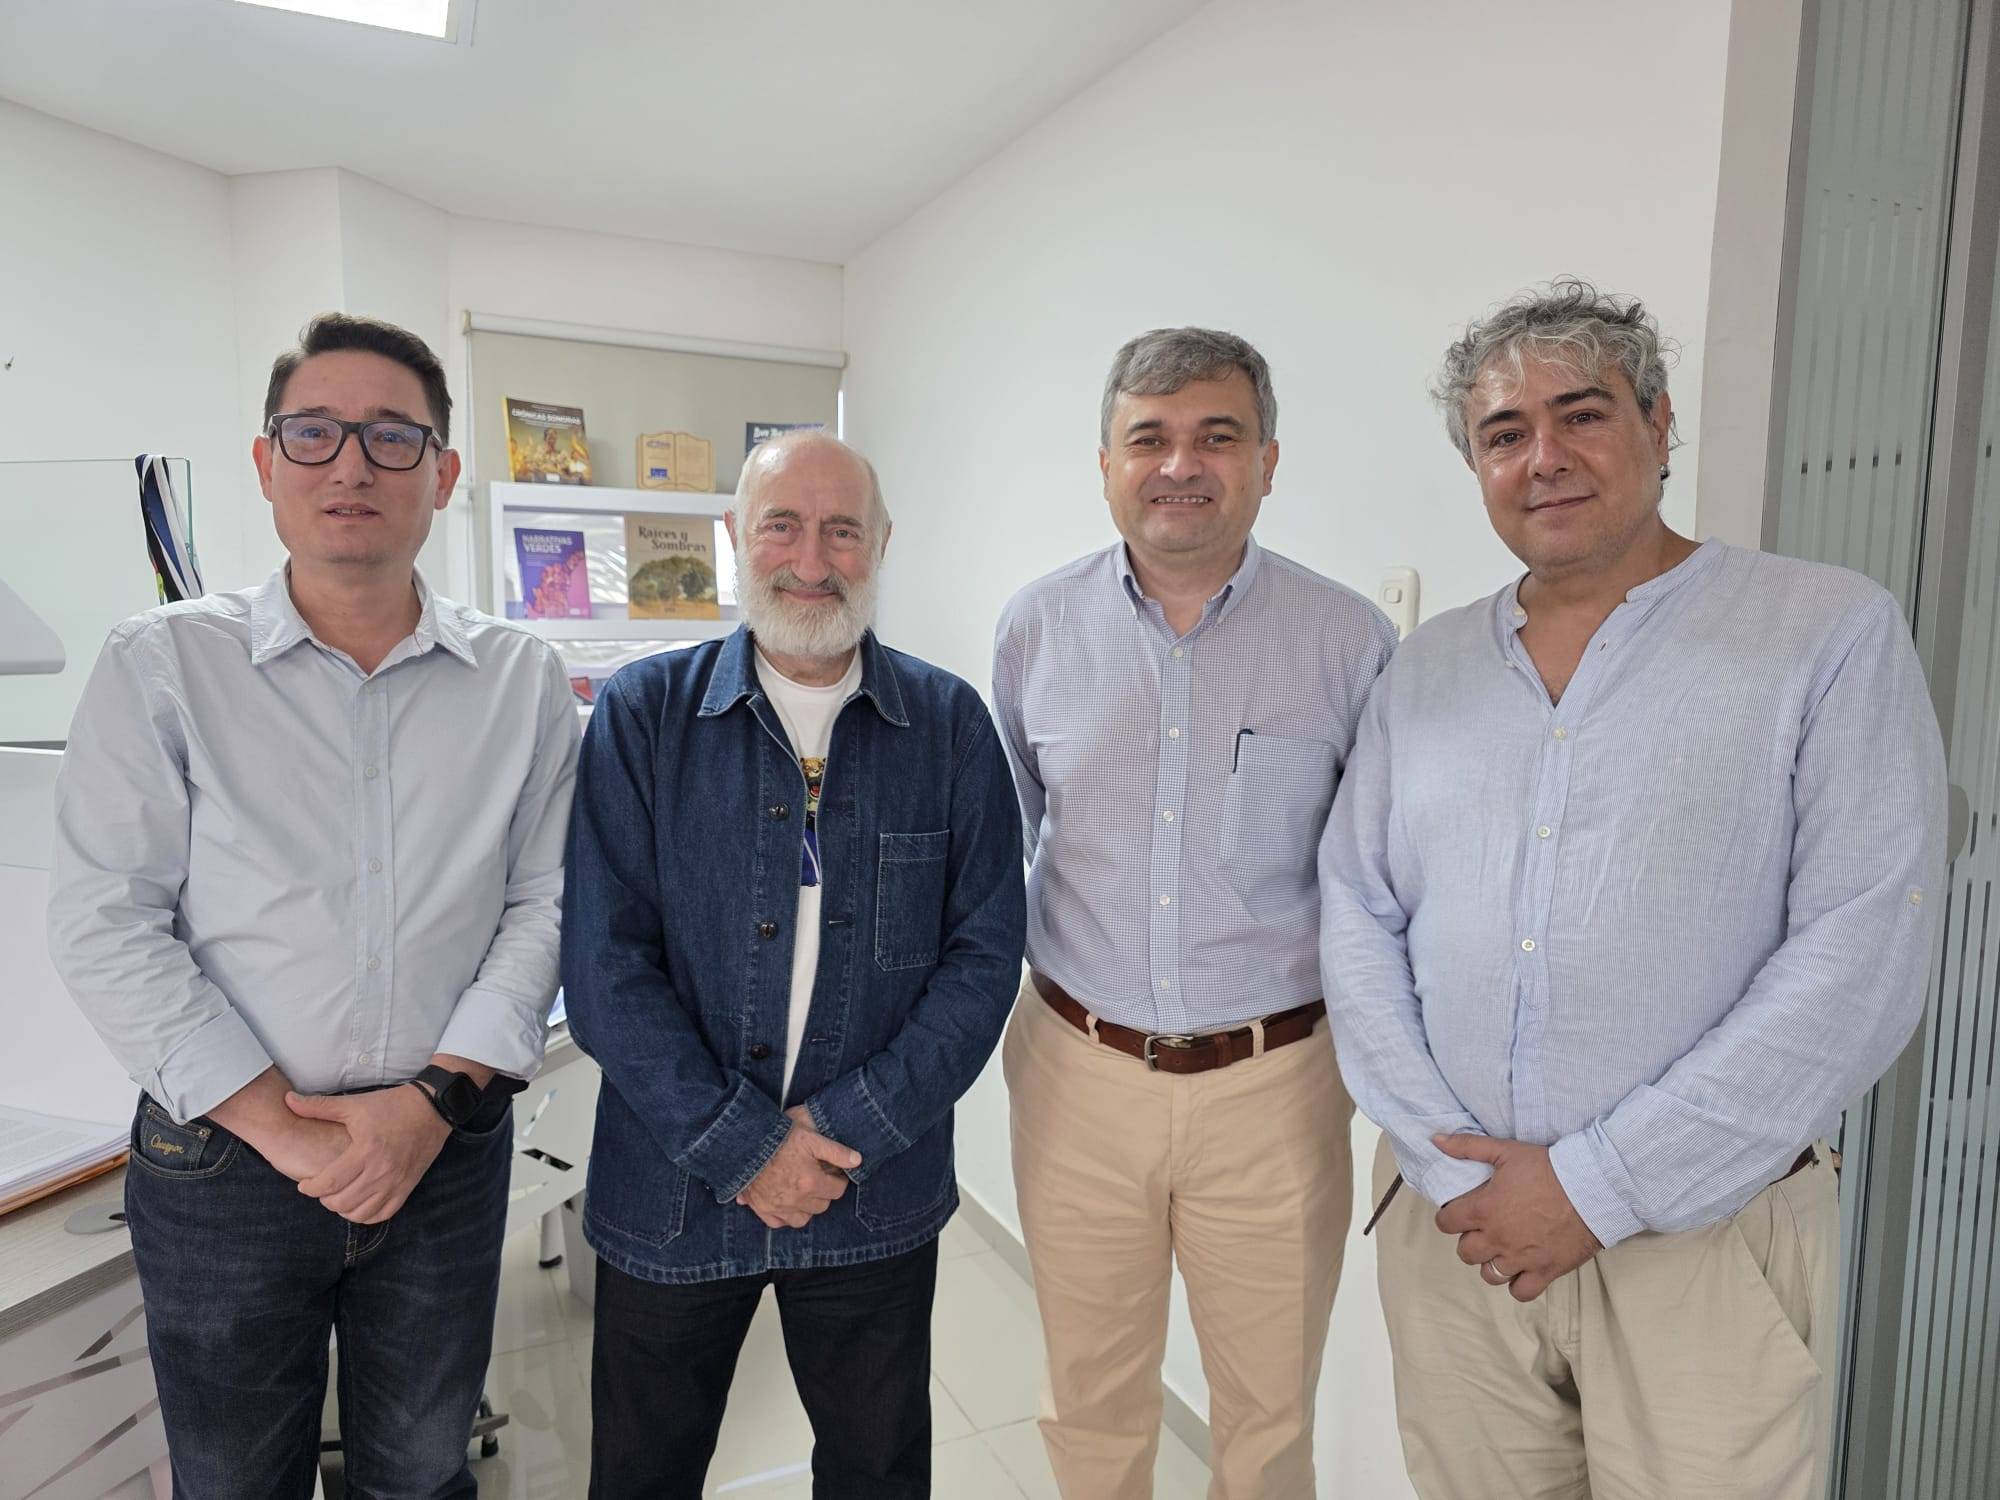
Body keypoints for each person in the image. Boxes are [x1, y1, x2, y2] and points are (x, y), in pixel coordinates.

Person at [1319, 279, 1948, 1499]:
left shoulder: (1821, 634)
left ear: (1660, 427)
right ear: (1476, 466)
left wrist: (1594, 1187)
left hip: (1701, 1241)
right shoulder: (1427, 666)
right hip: (1457, 1240)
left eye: (1582, 414)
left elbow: (1859, 948)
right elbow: (1356, 911)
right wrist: (1462, 1178)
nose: (1542, 457)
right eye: (1504, 434)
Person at [48, 312, 579, 1497]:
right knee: (235, 1478)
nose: (351, 465)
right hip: (225, 1164)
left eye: (393, 438)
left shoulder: (522, 680)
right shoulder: (162, 666)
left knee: (423, 1466)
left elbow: (544, 903)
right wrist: (286, 1133)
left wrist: (432, 1104)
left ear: (443, 474)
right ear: (265, 463)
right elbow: (103, 919)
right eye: (316, 432)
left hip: (441, 1150)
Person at [563, 430, 1025, 1499]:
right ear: (733, 539)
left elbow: (981, 959)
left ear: (880, 545)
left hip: (870, 1195)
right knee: (642, 1473)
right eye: (780, 524)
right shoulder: (642, 716)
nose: (809, 558)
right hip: (670, 1195)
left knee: (875, 1474)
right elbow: (602, 964)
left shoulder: (948, 725)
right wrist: (743, 1147)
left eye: (841, 530)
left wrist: (835, 1131)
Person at [992, 327, 1396, 1497]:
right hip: (1078, 1073)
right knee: (1090, 1401)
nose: (1181, 464)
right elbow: (1002, 847)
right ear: (1106, 464)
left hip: (1272, 1088)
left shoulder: (1347, 643)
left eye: (1215, 436)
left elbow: (1374, 882)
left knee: (1267, 1419)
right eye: (1148, 439)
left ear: (1267, 460)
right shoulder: (1034, 630)